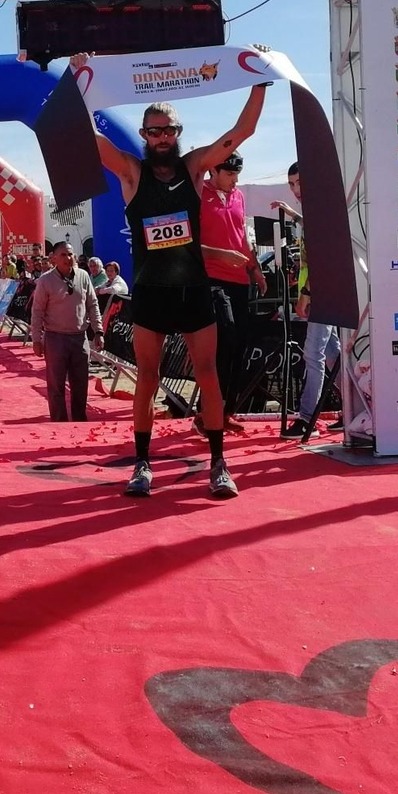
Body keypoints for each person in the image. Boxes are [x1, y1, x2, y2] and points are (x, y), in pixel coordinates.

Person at [83, 53, 268, 500]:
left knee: (208, 374)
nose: (162, 137)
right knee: (146, 377)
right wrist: (80, 83)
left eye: (169, 130)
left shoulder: (194, 168)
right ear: (144, 135)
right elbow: (85, 138)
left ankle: (219, 465)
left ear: (178, 134)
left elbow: (241, 133)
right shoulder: (132, 171)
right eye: (154, 130)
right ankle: (141, 465)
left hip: (192, 291)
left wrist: (260, 82)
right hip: (150, 292)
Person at [201, 153, 268, 430]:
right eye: (230, 174)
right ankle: (207, 412)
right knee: (225, 338)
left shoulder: (239, 196)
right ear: (213, 171)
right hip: (209, 278)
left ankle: (224, 412)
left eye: (237, 174)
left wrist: (255, 269)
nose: (235, 180)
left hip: (240, 280)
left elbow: (242, 236)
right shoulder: (196, 193)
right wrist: (220, 255)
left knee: (240, 345)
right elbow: (185, 242)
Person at [273, 162, 340, 439]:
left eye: (299, 182)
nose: (295, 189)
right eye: (291, 184)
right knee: (333, 352)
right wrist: (294, 215)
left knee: (314, 354)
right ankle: (356, 407)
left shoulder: (322, 206)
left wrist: (307, 294)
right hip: (320, 291)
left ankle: (306, 418)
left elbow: (324, 256)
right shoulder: (316, 209)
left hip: (321, 292)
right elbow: (313, 230)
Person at [30, 242, 103, 421]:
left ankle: (79, 418)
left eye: (70, 254)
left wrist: (98, 330)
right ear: (53, 258)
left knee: (80, 383)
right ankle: (59, 420)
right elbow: (37, 311)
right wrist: (36, 339)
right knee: (56, 385)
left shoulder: (84, 276)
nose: (68, 258)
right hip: (55, 338)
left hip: (80, 338)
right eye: (63, 255)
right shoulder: (45, 280)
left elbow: (93, 305)